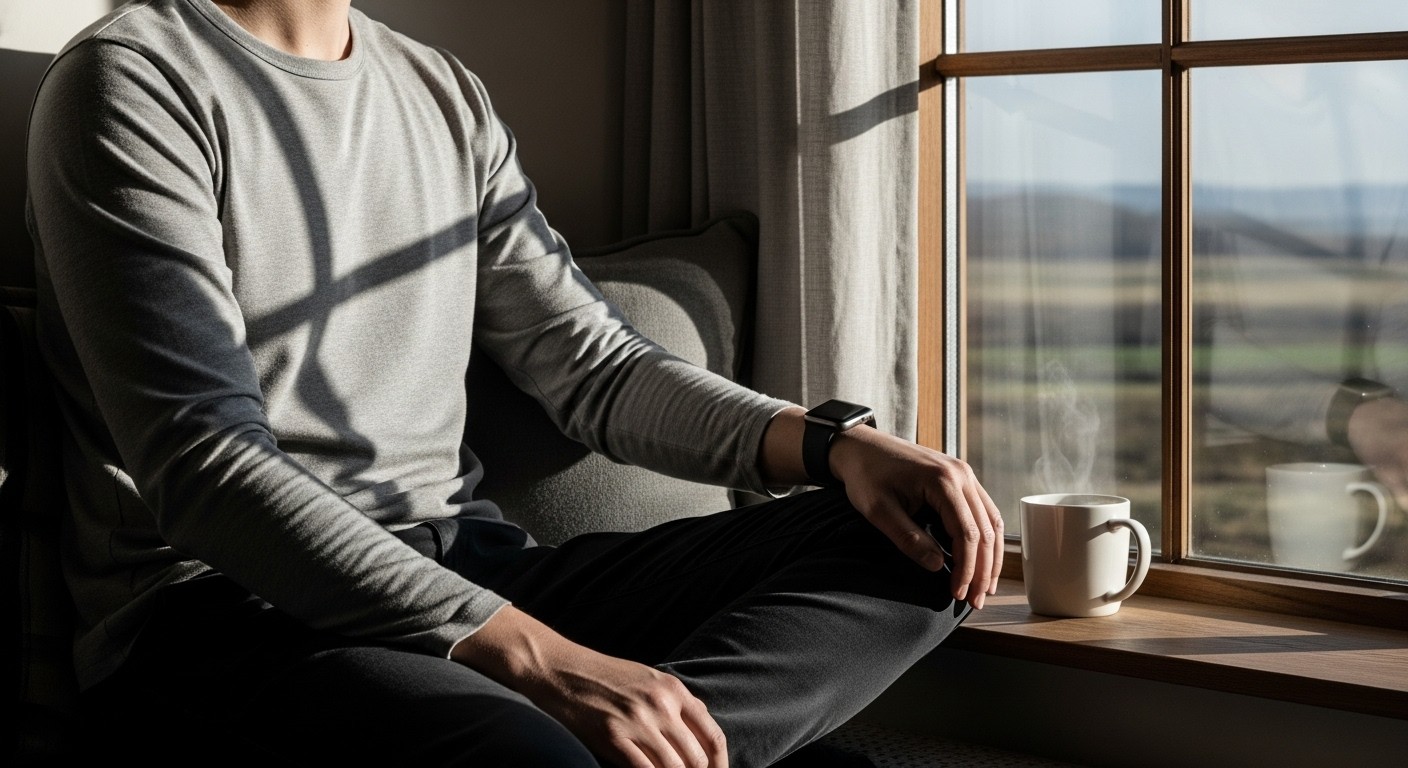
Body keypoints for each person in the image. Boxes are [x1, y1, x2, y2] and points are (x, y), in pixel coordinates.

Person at [25, 1, 1004, 766]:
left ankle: (667, 745)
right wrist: (543, 662)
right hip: (223, 617)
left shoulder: (441, 93)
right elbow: (204, 467)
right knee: (521, 750)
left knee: (916, 537)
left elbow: (598, 372)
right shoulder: (133, 80)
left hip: (467, 565)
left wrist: (838, 444)